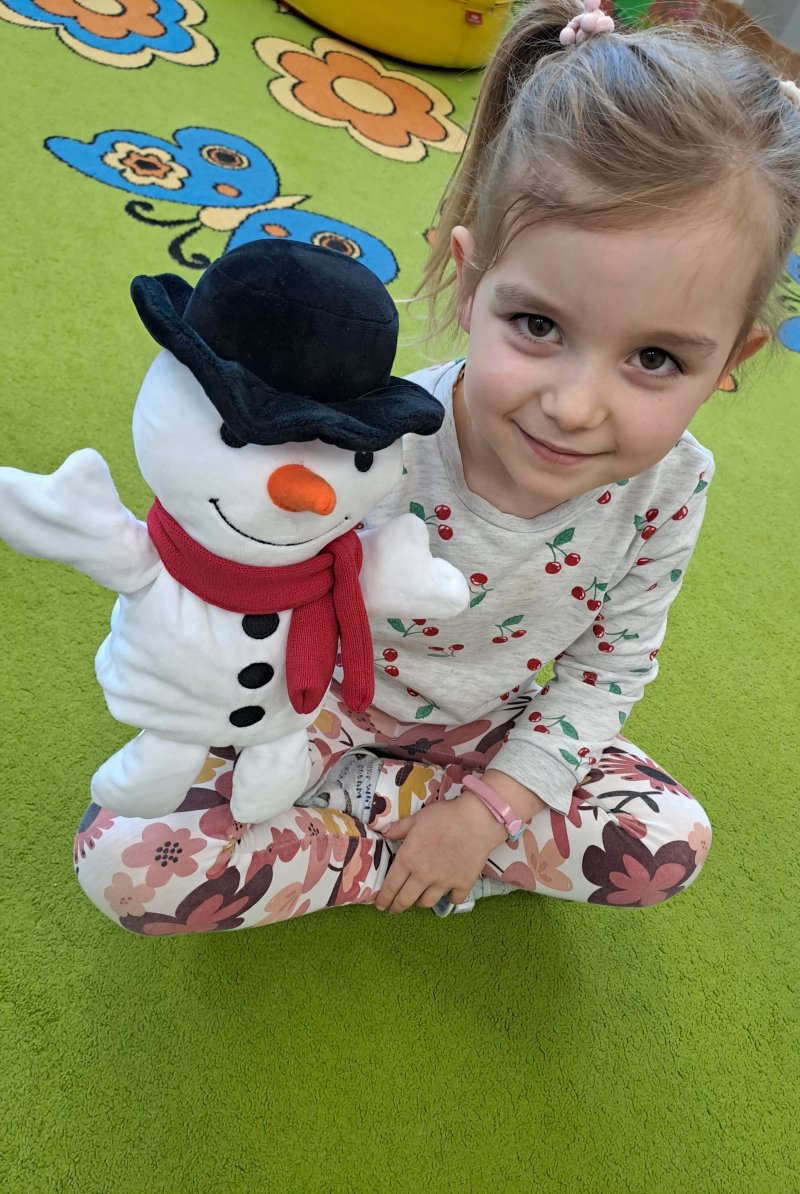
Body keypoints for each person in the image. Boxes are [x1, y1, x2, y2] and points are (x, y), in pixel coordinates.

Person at [74, 0, 800, 933]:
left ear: (730, 361)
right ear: (469, 282)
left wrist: (489, 810)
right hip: (310, 707)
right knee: (131, 863)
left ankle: (384, 834)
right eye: (538, 325)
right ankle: (396, 846)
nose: (575, 407)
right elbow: (234, 573)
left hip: (493, 732)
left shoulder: (673, 484)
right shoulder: (373, 437)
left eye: (656, 359)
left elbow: (610, 668)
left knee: (664, 844)